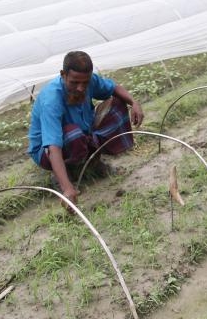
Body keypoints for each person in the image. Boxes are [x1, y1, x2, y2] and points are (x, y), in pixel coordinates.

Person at [27, 51, 144, 204]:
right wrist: (67, 188)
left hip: (83, 133)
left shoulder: (89, 81)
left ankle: (94, 163)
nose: (81, 88)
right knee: (74, 135)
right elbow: (53, 147)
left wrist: (134, 102)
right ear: (63, 75)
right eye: (74, 83)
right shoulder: (52, 100)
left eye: (85, 83)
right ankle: (65, 175)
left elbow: (113, 88)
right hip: (48, 150)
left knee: (116, 105)